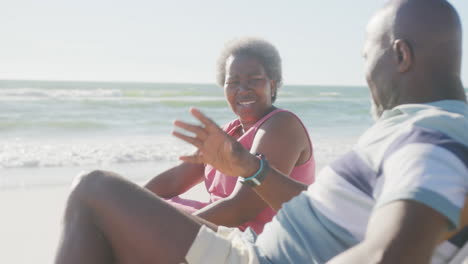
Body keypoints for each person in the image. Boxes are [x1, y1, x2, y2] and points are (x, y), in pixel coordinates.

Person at [54, 0, 468, 263]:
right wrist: (252, 168)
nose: (365, 74)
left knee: (92, 190)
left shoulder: (431, 136)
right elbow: (340, 218)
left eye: (366, 56)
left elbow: (395, 253)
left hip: (259, 257)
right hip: (256, 248)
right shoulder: (421, 132)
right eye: (232, 82)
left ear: (400, 55)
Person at [144, 38, 315, 234]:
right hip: (217, 231)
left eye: (254, 79)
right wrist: (131, 202)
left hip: (253, 244)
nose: (242, 89)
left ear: (273, 85)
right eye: (233, 82)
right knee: (140, 204)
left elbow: (240, 208)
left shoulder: (282, 125)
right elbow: (174, 180)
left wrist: (170, 233)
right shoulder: (228, 133)